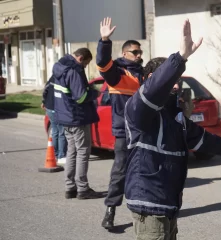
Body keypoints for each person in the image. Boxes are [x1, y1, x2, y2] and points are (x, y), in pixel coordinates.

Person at [124, 19, 221, 239]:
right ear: (151, 80)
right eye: (171, 80)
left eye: (177, 81)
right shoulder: (138, 108)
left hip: (168, 202)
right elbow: (153, 92)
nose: (176, 86)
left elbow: (202, 139)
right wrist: (181, 57)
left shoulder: (176, 116)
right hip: (148, 202)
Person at [96, 17, 145, 229]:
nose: (139, 55)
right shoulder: (117, 73)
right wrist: (104, 40)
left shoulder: (144, 74)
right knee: (120, 171)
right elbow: (102, 64)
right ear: (125, 53)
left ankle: (143, 211)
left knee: (144, 172)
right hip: (124, 132)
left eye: (140, 52)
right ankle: (110, 210)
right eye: (135, 52)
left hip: (145, 131)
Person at [53, 48, 102, 200]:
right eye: (86, 64)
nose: (85, 67)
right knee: (82, 152)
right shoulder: (74, 70)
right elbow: (80, 97)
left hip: (64, 117)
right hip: (77, 117)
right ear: (80, 58)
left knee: (72, 152)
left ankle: (70, 187)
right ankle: (83, 188)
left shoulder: (60, 66)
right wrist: (95, 93)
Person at [41, 75, 67, 165]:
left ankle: (55, 153)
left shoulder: (53, 77)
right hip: (58, 109)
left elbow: (45, 90)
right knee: (61, 132)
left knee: (55, 131)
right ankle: (61, 155)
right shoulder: (64, 78)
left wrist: (44, 102)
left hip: (49, 107)